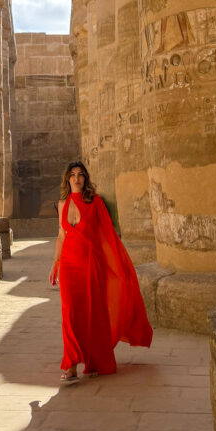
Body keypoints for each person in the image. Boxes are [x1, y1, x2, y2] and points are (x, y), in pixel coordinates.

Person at [48, 160, 153, 383]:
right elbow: (61, 235)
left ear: (85, 179)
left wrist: (116, 266)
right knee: (70, 314)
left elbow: (107, 237)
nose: (76, 178)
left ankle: (96, 361)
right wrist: (54, 264)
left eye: (80, 175)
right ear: (67, 179)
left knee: (93, 314)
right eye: (73, 175)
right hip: (68, 265)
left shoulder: (95, 202)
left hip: (90, 264)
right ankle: (71, 365)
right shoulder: (62, 203)